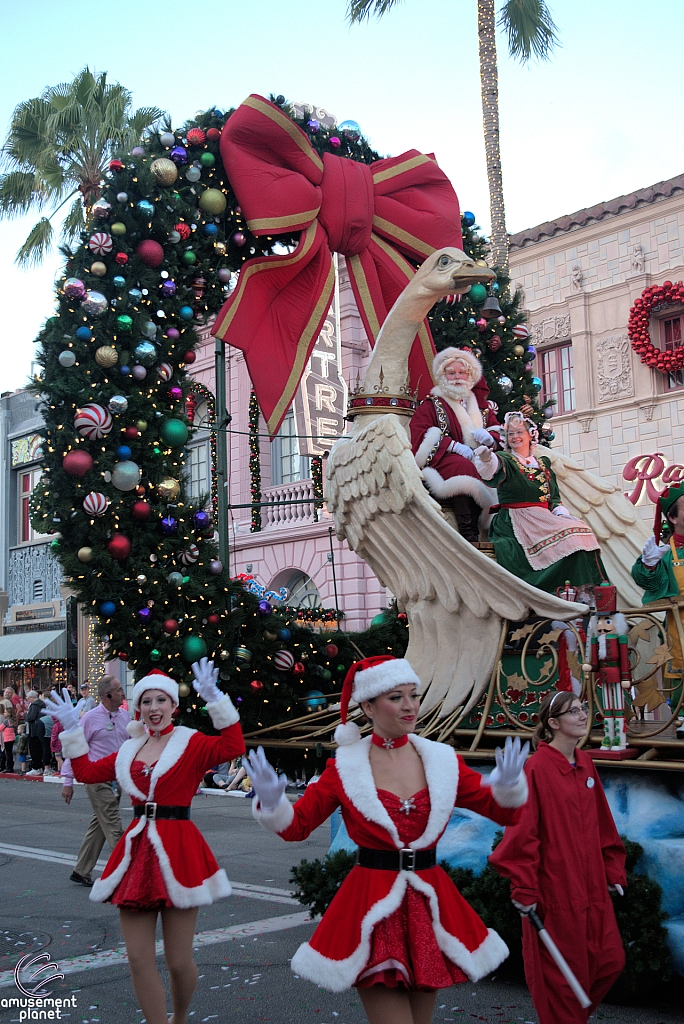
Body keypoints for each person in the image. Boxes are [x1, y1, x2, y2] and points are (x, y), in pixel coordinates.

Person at [245, 655, 529, 1024]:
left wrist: (508, 789)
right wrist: (272, 801)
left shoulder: (442, 760)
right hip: (371, 907)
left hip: (429, 905)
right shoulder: (345, 767)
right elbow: (296, 827)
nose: (410, 706)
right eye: (396, 697)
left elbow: (504, 813)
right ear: (367, 705)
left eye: (414, 695)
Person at [45, 658, 244, 1024]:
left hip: (179, 849)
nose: (154, 709)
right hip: (137, 851)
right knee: (137, 958)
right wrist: (71, 728)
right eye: (146, 702)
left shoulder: (192, 743)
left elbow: (233, 746)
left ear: (174, 706)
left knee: (178, 961)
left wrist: (215, 698)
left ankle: (180, 1016)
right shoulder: (128, 750)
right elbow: (88, 771)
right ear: (137, 708)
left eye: (161, 701)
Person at [489, 690, 626, 1024]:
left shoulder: (585, 763)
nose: (582, 715)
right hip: (556, 893)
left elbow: (604, 825)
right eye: (573, 711)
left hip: (593, 891)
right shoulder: (535, 769)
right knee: (561, 986)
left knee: (610, 961)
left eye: (582, 709)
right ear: (553, 723)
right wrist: (524, 889)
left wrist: (613, 872)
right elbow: (522, 834)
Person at [473, 412, 607, 593]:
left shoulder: (543, 463)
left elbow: (554, 498)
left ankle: (585, 593)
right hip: (516, 520)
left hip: (544, 518)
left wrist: (562, 515)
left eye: (520, 432)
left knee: (581, 531)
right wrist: (486, 459)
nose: (515, 437)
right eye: (511, 433)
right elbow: (491, 469)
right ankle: (555, 593)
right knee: (570, 536)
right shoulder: (506, 459)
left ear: (531, 435)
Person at [411, 347, 499, 542]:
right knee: (462, 467)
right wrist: (454, 446)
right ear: (443, 376)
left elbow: (498, 430)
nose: (457, 377)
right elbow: (420, 434)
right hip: (444, 458)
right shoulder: (432, 405)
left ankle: (503, 529)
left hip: (483, 458)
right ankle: (469, 534)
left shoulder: (481, 407)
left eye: (462, 373)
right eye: (451, 373)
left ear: (470, 375)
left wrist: (490, 437)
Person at [61, 675, 130, 886]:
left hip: (115, 780)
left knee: (100, 824)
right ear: (108, 695)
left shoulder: (125, 716)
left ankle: (81, 870)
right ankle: (130, 872)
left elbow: (132, 744)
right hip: (97, 779)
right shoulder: (90, 718)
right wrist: (67, 781)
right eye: (119, 690)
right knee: (114, 827)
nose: (123, 694)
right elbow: (75, 748)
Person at [631, 481, 684, 675]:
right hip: (680, 639)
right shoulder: (664, 553)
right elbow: (648, 583)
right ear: (672, 517)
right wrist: (649, 565)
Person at [583, 584, 633, 750]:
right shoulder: (597, 640)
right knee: (607, 707)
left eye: (607, 620)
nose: (602, 624)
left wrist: (626, 677)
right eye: (600, 621)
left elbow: (625, 660)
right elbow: (596, 662)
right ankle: (608, 738)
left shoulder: (621, 639)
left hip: (617, 675)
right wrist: (591, 667)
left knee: (618, 707)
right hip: (603, 676)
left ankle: (620, 739)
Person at [24, 690, 46, 775]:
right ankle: (40, 766)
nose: (27, 699)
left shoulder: (34, 705)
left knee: (34, 750)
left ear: (32, 697)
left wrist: (25, 715)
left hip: (33, 730)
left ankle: (36, 767)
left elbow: (31, 717)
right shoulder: (42, 704)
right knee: (39, 748)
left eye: (28, 698)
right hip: (40, 729)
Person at [0, 704, 16, 773]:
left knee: (8, 753)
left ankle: (9, 767)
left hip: (7, 738)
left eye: (6, 712)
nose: (4, 713)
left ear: (9, 713)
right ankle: (10, 766)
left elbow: (0, 728)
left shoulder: (6, 721)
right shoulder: (12, 720)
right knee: (10, 753)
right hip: (12, 738)